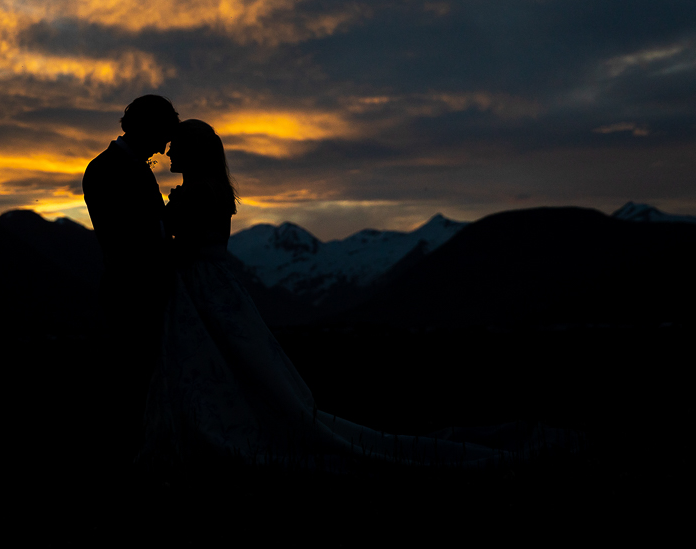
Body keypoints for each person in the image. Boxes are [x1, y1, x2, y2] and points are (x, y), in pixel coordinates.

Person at [142, 119, 518, 469]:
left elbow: (185, 241)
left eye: (176, 146)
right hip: (209, 285)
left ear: (193, 151)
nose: (169, 153)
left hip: (201, 287)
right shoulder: (208, 189)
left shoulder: (199, 193)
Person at [82, 94, 179, 459]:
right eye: (161, 135)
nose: (164, 146)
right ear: (145, 128)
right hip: (132, 292)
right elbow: (130, 237)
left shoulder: (122, 166)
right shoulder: (110, 169)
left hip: (136, 289)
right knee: (132, 380)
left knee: (139, 378)